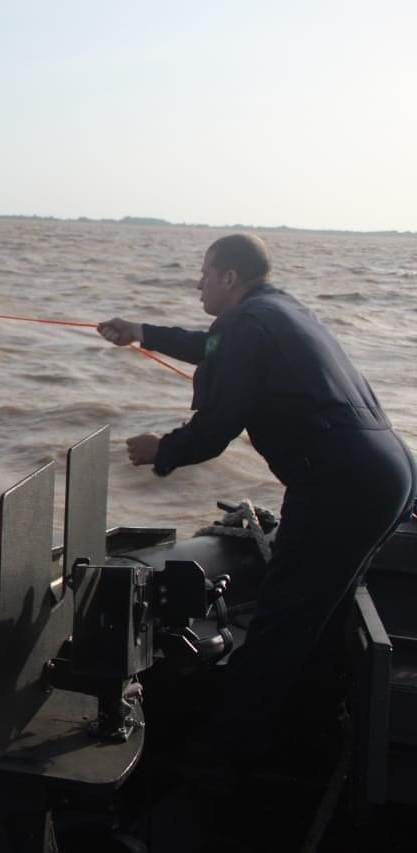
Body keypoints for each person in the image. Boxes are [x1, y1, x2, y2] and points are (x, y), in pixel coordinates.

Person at [97, 233, 416, 772]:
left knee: (278, 624)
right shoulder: (278, 310)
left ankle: (223, 766)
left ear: (230, 278)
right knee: (324, 614)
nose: (197, 282)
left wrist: (163, 450)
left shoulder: (248, 324)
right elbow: (214, 348)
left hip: (341, 486)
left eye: (205, 273)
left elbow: (219, 425)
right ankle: (311, 734)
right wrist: (142, 334)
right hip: (392, 473)